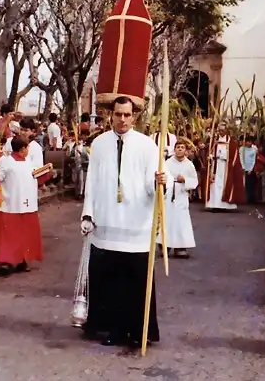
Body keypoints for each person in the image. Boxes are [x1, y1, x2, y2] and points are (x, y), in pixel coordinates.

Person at [80, 96, 168, 348]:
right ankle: (112, 328)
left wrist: (160, 181)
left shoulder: (147, 145)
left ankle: (139, 331)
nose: (122, 119)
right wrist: (88, 213)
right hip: (106, 223)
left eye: (127, 115)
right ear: (111, 114)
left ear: (135, 116)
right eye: (118, 114)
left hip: (136, 225)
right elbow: (92, 182)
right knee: (111, 282)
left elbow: (153, 184)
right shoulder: (99, 144)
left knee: (136, 283)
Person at [0, 137, 52, 276]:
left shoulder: (28, 161)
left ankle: (22, 260)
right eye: (27, 148)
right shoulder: (5, 161)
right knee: (10, 234)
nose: (28, 150)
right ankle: (5, 262)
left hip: (28, 203)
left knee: (25, 234)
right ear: (22, 149)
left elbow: (33, 175)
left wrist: (45, 171)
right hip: (11, 203)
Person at [162, 138, 198, 258]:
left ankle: (180, 247)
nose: (180, 150)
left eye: (182, 148)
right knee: (168, 220)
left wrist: (185, 180)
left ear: (185, 150)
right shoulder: (167, 163)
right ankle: (165, 246)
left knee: (181, 221)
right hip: (169, 195)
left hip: (181, 195)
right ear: (175, 149)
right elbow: (163, 176)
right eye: (178, 147)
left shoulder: (189, 165)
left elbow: (194, 180)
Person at [204, 120, 245, 210]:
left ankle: (225, 205)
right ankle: (214, 204)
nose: (221, 132)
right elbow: (209, 152)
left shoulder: (231, 142)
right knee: (214, 184)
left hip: (226, 167)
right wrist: (210, 157)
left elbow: (234, 155)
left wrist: (227, 159)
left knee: (224, 185)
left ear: (226, 131)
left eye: (223, 130)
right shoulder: (214, 141)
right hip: (215, 166)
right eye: (219, 130)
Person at [240, 136, 258, 204]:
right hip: (244, 168)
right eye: (248, 142)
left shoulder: (254, 149)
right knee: (244, 183)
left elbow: (253, 160)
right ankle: (244, 198)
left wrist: (251, 169)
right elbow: (241, 158)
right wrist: (243, 167)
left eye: (250, 142)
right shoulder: (242, 149)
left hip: (251, 168)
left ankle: (250, 198)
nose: (249, 143)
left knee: (251, 184)